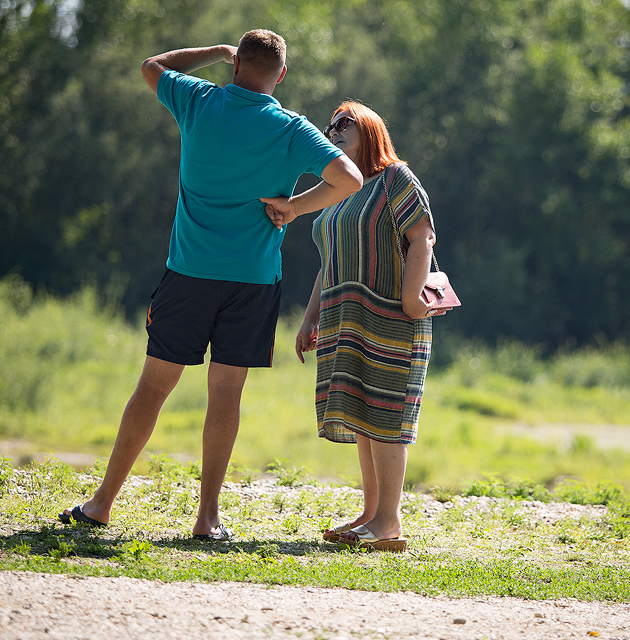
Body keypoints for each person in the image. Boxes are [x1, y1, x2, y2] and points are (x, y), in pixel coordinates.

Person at [58, 30, 363, 539]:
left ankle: (102, 505)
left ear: (237, 64)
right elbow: (349, 179)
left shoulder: (198, 99)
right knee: (226, 394)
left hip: (190, 272)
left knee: (153, 386)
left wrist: (215, 52)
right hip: (253, 281)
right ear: (281, 76)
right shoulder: (291, 129)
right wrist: (294, 207)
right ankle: (207, 519)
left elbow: (152, 63)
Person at [264, 101, 437, 552]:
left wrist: (412, 298)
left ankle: (389, 522)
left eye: (346, 124)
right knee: (363, 415)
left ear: (371, 131)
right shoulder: (338, 189)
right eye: (331, 125)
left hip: (390, 317)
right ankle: (371, 513)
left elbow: (422, 235)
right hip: (346, 318)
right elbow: (330, 261)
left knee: (385, 416)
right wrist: (309, 317)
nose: (335, 130)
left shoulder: (395, 178)